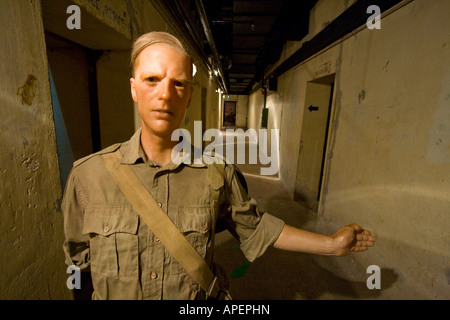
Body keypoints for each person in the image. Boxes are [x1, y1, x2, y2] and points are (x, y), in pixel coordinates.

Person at [62, 31, 375, 300]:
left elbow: (256, 229)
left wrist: (332, 245)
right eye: (152, 80)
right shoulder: (89, 175)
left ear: (189, 97)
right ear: (133, 89)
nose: (165, 94)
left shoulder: (217, 173)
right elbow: (79, 262)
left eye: (179, 84)